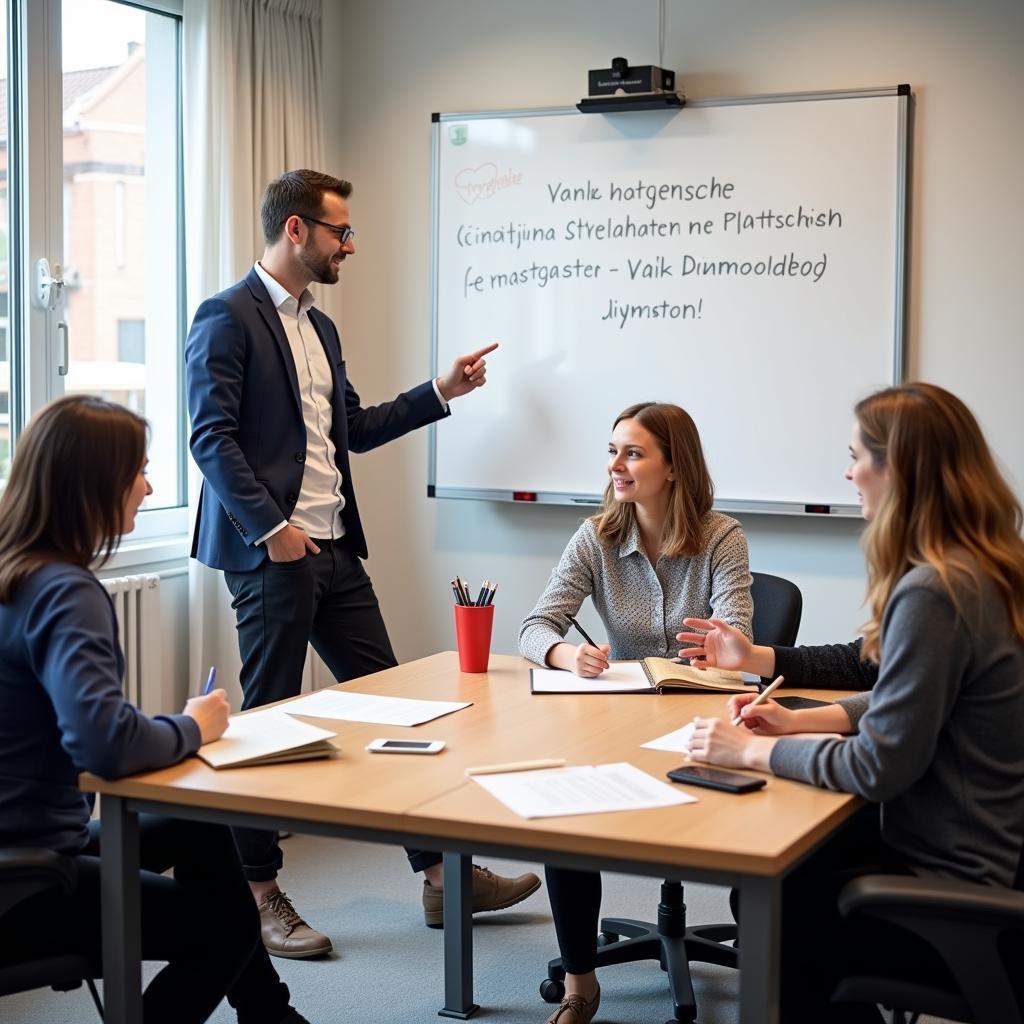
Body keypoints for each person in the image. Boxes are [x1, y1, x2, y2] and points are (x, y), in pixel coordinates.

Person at [186, 168, 538, 955]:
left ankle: (445, 876)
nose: (353, 243)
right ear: (298, 231)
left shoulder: (320, 328)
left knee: (402, 710)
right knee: (265, 726)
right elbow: (211, 438)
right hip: (274, 553)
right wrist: (271, 527)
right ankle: (259, 893)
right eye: (342, 230)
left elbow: (355, 428)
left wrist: (438, 391)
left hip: (335, 548)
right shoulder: (227, 317)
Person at [680, 382, 1024, 1023]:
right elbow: (908, 695)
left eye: (856, 455)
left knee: (771, 900)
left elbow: (877, 768)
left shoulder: (935, 591)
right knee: (786, 863)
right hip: (988, 846)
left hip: (959, 883)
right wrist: (801, 720)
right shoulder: (987, 567)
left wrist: (751, 750)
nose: (848, 471)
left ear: (902, 470)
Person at [0, 395, 309, 1024]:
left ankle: (271, 1018)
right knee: (224, 929)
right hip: (26, 882)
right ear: (95, 486)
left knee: (196, 823)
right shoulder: (64, 591)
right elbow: (104, 746)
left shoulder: (17, 573)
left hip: (22, 848)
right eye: (138, 470)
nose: (149, 485)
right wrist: (195, 726)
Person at [519, 400, 753, 1024]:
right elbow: (535, 626)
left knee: (760, 820)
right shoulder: (595, 536)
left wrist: (719, 652)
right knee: (564, 820)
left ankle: (771, 967)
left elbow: (735, 644)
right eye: (612, 451)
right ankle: (580, 983)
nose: (616, 467)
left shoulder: (722, 537)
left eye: (633, 453)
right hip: (616, 722)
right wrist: (568, 654)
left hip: (698, 724)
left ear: (674, 467)